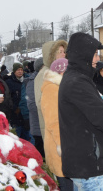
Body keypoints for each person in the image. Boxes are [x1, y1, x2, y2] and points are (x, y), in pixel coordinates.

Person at [58, 33, 103, 190]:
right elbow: (100, 115)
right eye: (94, 54)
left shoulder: (77, 78)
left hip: (85, 161)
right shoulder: (77, 81)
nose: (97, 59)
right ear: (83, 54)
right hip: (88, 163)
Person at [41, 58, 73, 190]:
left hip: (69, 143)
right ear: (61, 72)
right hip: (59, 146)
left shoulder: (64, 87)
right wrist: (62, 145)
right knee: (66, 184)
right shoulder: (52, 89)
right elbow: (53, 120)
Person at [35, 40, 67, 139]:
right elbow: (40, 103)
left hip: (64, 123)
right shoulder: (44, 74)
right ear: (51, 55)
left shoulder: (61, 72)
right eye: (59, 52)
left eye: (64, 51)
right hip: (52, 126)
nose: (63, 54)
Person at [4, 62, 30, 140]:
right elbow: (8, 98)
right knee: (17, 138)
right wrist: (15, 108)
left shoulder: (26, 81)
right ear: (14, 71)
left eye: (21, 70)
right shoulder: (9, 82)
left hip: (26, 114)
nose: (20, 71)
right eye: (18, 70)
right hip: (15, 114)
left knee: (27, 138)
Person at [26, 57, 45, 157]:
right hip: (38, 126)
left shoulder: (46, 79)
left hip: (47, 126)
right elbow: (32, 105)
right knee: (41, 155)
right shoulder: (32, 81)